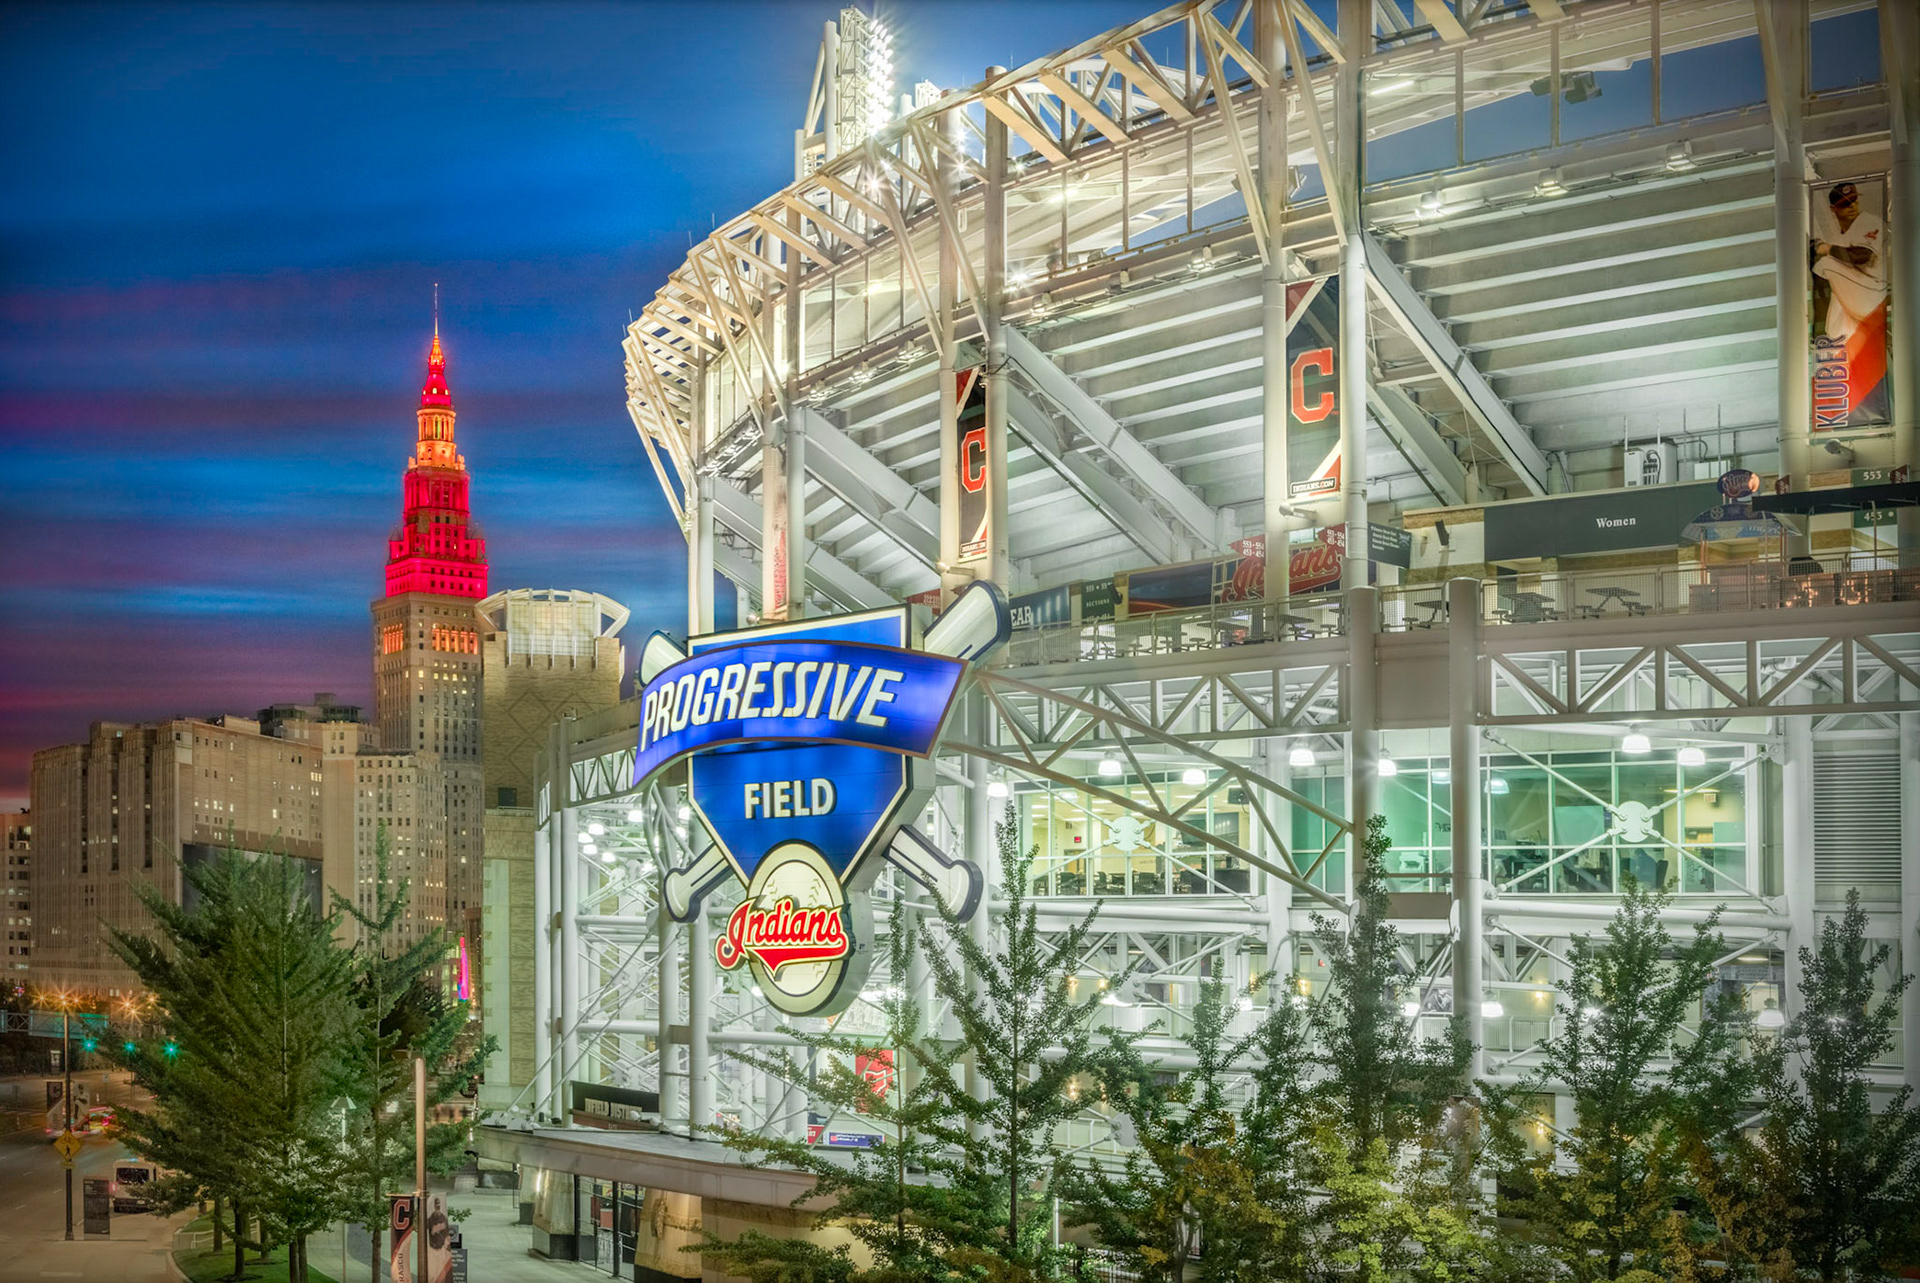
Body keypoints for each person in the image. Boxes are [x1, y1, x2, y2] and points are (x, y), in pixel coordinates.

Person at [1811, 181, 1886, 340]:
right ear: (1833, 209)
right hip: (1857, 286)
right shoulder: (1836, 231)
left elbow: (1862, 256)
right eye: (1845, 204)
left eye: (1854, 200)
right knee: (1831, 276)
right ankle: (1830, 338)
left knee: (1824, 266)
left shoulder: (1869, 222)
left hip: (1873, 290)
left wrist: (1828, 248)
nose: (1852, 206)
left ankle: (1819, 331)